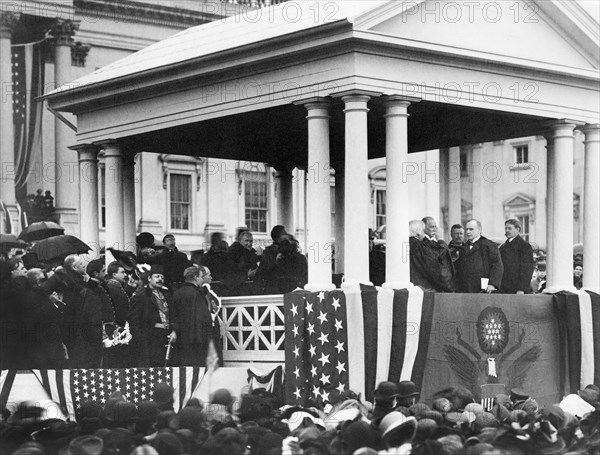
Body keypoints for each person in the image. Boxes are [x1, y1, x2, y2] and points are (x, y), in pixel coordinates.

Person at [129, 264, 178, 367]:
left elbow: (174, 315)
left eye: (162, 277)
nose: (160, 279)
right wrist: (140, 339)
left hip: (166, 335)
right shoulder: (141, 295)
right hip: (150, 338)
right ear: (149, 278)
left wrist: (174, 330)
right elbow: (134, 320)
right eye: (157, 276)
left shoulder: (167, 294)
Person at [172, 266, 214, 366]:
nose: (202, 279)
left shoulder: (176, 293)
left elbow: (174, 314)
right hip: (196, 339)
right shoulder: (197, 294)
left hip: (181, 337)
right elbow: (204, 318)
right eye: (200, 277)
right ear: (195, 278)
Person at [455, 219, 504, 293]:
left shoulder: (489, 245)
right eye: (467, 229)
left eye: (471, 229)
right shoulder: (463, 247)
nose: (468, 232)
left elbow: (497, 265)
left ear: (479, 230)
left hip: (483, 289)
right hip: (465, 289)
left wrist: (492, 284)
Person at [499, 219, 534, 294]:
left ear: (517, 229)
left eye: (509, 228)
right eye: (506, 228)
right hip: (504, 289)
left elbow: (527, 270)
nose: (507, 230)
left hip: (518, 289)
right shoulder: (503, 247)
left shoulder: (525, 246)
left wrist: (521, 289)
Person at [420, 216, 454, 292]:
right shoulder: (422, 244)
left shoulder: (436, 243)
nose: (435, 229)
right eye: (432, 227)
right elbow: (438, 258)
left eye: (436, 227)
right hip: (430, 287)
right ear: (423, 228)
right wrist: (441, 240)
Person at [227, 230, 260, 295]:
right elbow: (232, 272)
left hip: (250, 287)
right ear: (240, 241)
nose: (249, 244)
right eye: (246, 241)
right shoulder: (233, 253)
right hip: (238, 289)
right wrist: (246, 275)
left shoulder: (252, 252)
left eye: (251, 241)